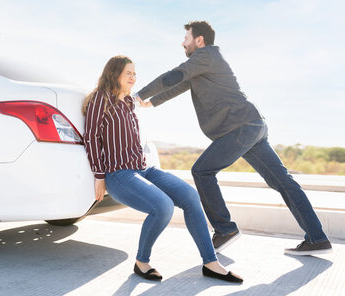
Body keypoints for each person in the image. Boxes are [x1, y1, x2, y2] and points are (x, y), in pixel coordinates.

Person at [135, 21, 332, 256]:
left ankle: (225, 229)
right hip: (253, 125)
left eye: (186, 38)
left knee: (202, 171)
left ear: (199, 41)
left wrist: (138, 94)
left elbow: (175, 75)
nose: (182, 42)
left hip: (240, 128)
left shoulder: (206, 55)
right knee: (284, 182)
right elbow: (181, 83)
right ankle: (317, 238)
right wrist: (152, 102)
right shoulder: (204, 65)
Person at [82, 55, 243, 283]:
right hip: (119, 174)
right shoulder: (101, 99)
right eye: (128, 72)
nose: (133, 77)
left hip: (143, 169)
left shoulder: (129, 102)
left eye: (135, 73)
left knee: (190, 196)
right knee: (163, 206)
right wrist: (99, 176)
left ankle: (211, 262)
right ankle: (142, 261)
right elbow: (91, 137)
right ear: (113, 73)